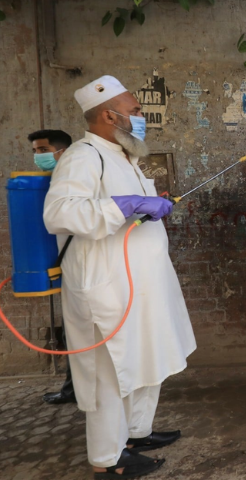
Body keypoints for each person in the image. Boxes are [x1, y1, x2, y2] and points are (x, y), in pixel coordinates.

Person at [43, 75, 196, 479]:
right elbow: (58, 214)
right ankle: (108, 461)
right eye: (136, 111)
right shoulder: (83, 156)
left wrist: (150, 203)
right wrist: (123, 205)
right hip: (106, 288)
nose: (141, 117)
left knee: (147, 359)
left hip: (142, 286)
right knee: (109, 376)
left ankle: (135, 434)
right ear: (110, 115)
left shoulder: (124, 155)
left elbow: (132, 211)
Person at [28, 129, 78, 405]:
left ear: (62, 150)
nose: (38, 157)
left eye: (43, 151)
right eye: (35, 151)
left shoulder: (74, 178)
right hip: (64, 263)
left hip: (80, 263)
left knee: (77, 330)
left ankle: (75, 389)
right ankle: (73, 388)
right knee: (72, 329)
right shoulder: (52, 180)